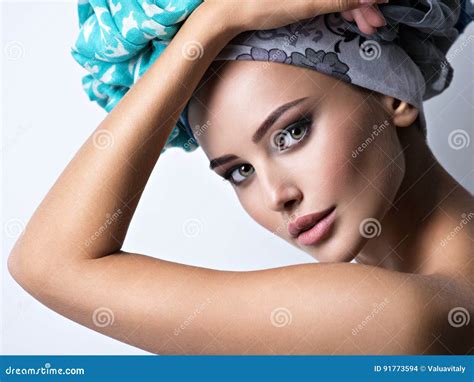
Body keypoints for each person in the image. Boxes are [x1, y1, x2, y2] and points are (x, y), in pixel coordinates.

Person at [8, 0, 473, 355]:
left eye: (291, 132)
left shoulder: (412, 318)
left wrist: (214, 21)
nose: (277, 195)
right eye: (239, 171)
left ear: (395, 95)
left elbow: (49, 264)